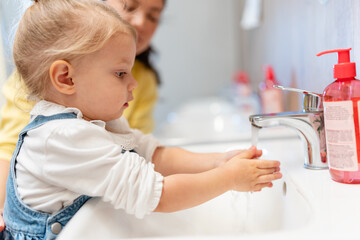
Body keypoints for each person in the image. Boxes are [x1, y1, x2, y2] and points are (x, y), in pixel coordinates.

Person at [0, 0, 282, 238]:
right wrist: (227, 178)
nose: (133, 83)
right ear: (66, 78)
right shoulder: (61, 137)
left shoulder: (97, 120)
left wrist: (217, 161)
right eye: (121, 73)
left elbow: (152, 155)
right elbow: (158, 195)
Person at [0, 0, 165, 231]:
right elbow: (9, 150)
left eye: (153, 16)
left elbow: (138, 150)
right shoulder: (53, 116)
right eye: (130, 6)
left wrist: (218, 163)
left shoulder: (141, 81)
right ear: (65, 79)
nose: (140, 22)